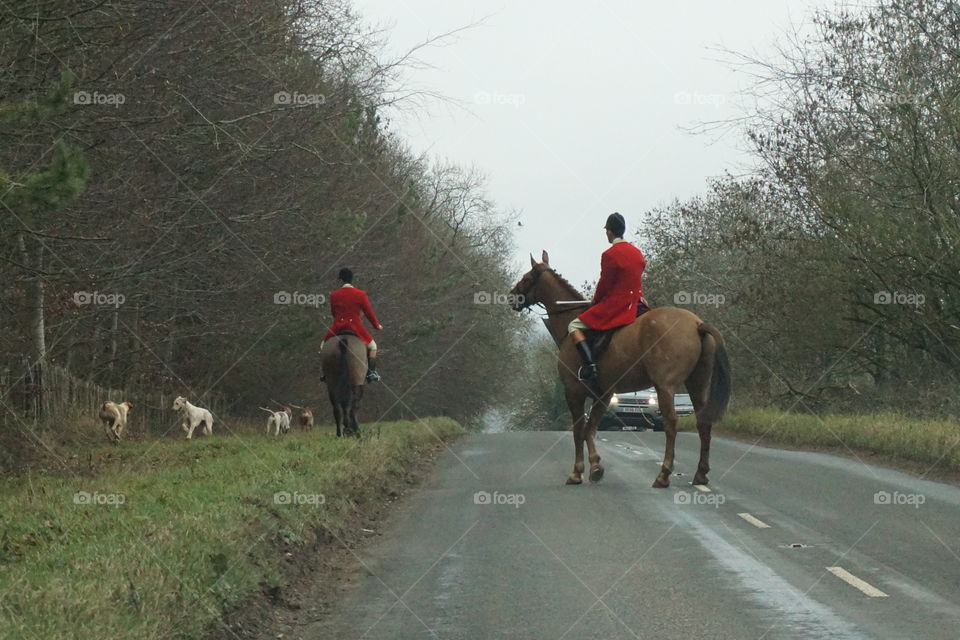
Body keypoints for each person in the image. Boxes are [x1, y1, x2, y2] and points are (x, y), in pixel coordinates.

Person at [567, 212, 647, 381]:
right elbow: (636, 281)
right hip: (637, 302)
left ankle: (590, 367)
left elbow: (605, 284)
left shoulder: (610, 254)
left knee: (574, 326)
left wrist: (595, 302)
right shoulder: (637, 253)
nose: (606, 234)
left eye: (606, 231)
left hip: (618, 305)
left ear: (610, 232)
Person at [320, 268, 384, 383]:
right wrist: (376, 325)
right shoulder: (361, 294)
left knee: (323, 346)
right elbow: (369, 312)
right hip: (356, 327)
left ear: (340, 280)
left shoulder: (334, 295)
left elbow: (334, 313)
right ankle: (371, 373)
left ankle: (326, 374)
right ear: (351, 279)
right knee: (373, 347)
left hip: (337, 327)